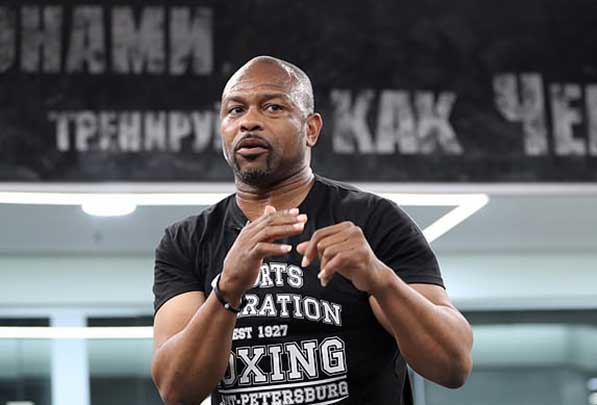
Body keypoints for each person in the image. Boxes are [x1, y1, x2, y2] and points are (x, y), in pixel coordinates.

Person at [151, 56, 473, 405]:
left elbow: (452, 365)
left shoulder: (374, 220)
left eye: (273, 107)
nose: (249, 122)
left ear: (311, 129)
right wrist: (227, 289)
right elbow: (175, 390)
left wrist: (379, 278)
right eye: (235, 110)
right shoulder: (186, 242)